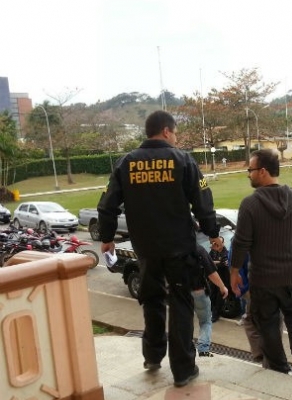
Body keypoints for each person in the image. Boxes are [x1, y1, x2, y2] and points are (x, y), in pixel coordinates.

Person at [97, 110, 222, 388]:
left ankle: (152, 357)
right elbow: (203, 201)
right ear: (166, 131)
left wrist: (106, 237)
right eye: (175, 132)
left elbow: (107, 204)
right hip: (180, 249)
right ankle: (183, 370)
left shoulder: (126, 163)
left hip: (146, 250)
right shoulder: (183, 160)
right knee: (180, 304)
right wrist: (213, 234)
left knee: (152, 301)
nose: (176, 138)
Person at [229, 148, 292, 378]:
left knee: (268, 323)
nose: (248, 174)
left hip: (263, 278)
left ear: (262, 171)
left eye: (250, 170)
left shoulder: (250, 204)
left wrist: (233, 272)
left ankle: (279, 369)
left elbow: (241, 243)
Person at [192, 243, 229, 357]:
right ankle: (203, 349)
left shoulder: (172, 247)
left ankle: (185, 349)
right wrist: (222, 287)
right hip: (198, 290)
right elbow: (211, 272)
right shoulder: (198, 249)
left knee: (184, 321)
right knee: (205, 322)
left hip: (179, 293)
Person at [209, 236, 230, 322]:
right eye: (216, 243)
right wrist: (217, 262)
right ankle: (210, 312)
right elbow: (208, 261)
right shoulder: (213, 251)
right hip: (213, 278)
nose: (217, 244)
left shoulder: (226, 252)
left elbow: (223, 263)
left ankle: (216, 315)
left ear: (223, 243)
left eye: (220, 242)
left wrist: (215, 262)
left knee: (219, 298)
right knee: (211, 295)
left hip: (223, 279)